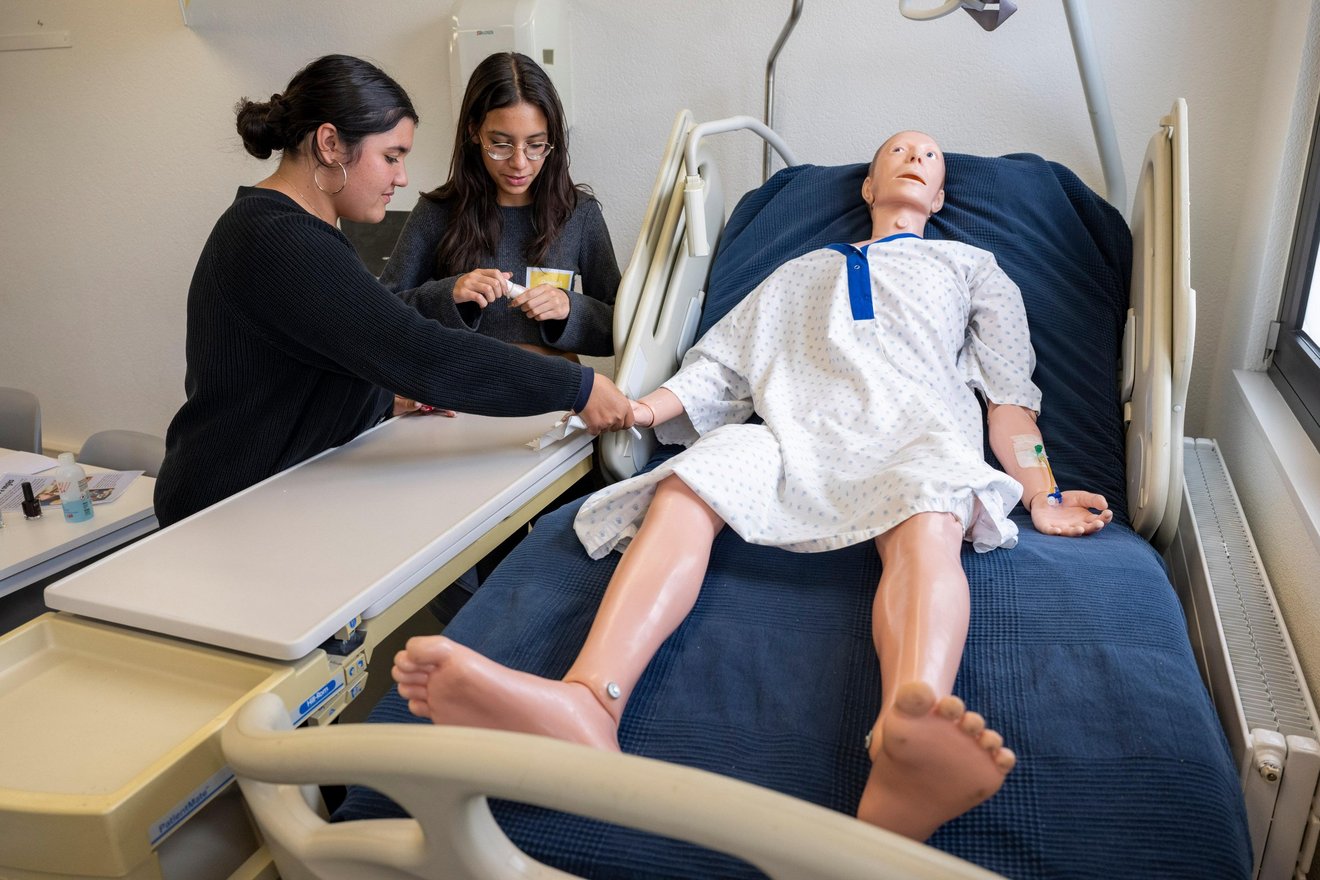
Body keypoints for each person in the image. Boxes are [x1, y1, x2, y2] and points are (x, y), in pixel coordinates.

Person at [392, 131, 1113, 841]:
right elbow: (718, 370)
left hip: (915, 432)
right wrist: (640, 411)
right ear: (868, 186)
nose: (917, 157)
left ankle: (908, 734)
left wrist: (1041, 492)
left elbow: (1010, 396)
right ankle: (588, 702)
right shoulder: (800, 270)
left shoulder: (969, 265)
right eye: (899, 150)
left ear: (943, 197)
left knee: (931, 517)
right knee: (690, 480)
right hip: (790, 435)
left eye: (930, 156)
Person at [154, 54, 631, 528]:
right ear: (330, 144)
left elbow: (321, 365)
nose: (401, 177)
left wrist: (384, 399)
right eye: (391, 156)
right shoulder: (280, 239)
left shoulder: (290, 229)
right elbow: (414, 349)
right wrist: (578, 387)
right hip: (222, 508)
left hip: (266, 494)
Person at [380, 52, 618, 362]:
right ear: (473, 132)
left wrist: (570, 308)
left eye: (535, 145)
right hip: (463, 385)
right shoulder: (436, 212)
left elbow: (619, 330)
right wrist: (450, 293)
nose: (519, 163)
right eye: (501, 144)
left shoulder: (579, 214)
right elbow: (382, 314)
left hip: (551, 386)